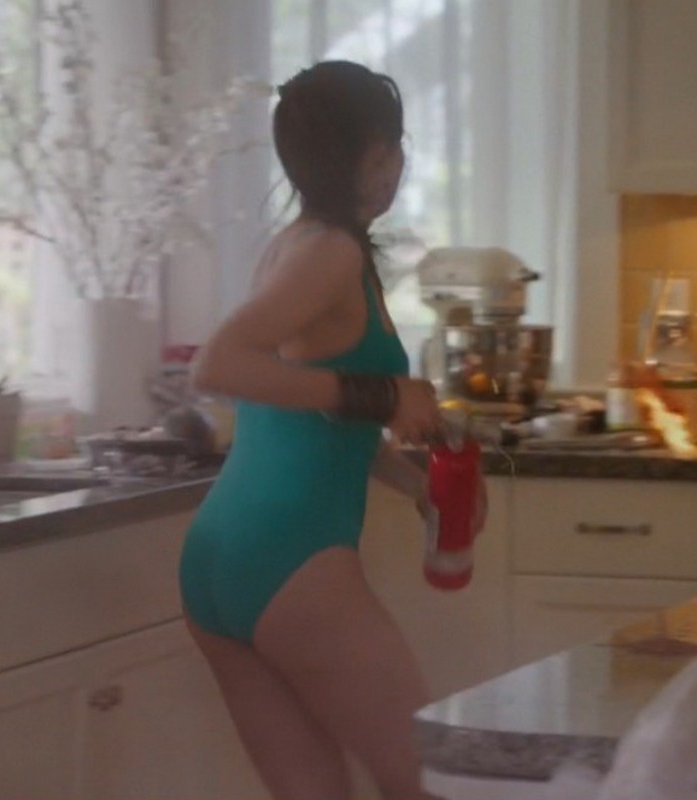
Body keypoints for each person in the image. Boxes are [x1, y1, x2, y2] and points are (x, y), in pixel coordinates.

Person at [179, 60, 487, 800]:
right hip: (291, 555)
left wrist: (415, 484)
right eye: (395, 146)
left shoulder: (298, 245)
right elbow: (217, 364)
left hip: (222, 557)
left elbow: (308, 418)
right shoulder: (332, 254)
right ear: (376, 153)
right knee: (428, 782)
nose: (398, 164)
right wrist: (381, 393)